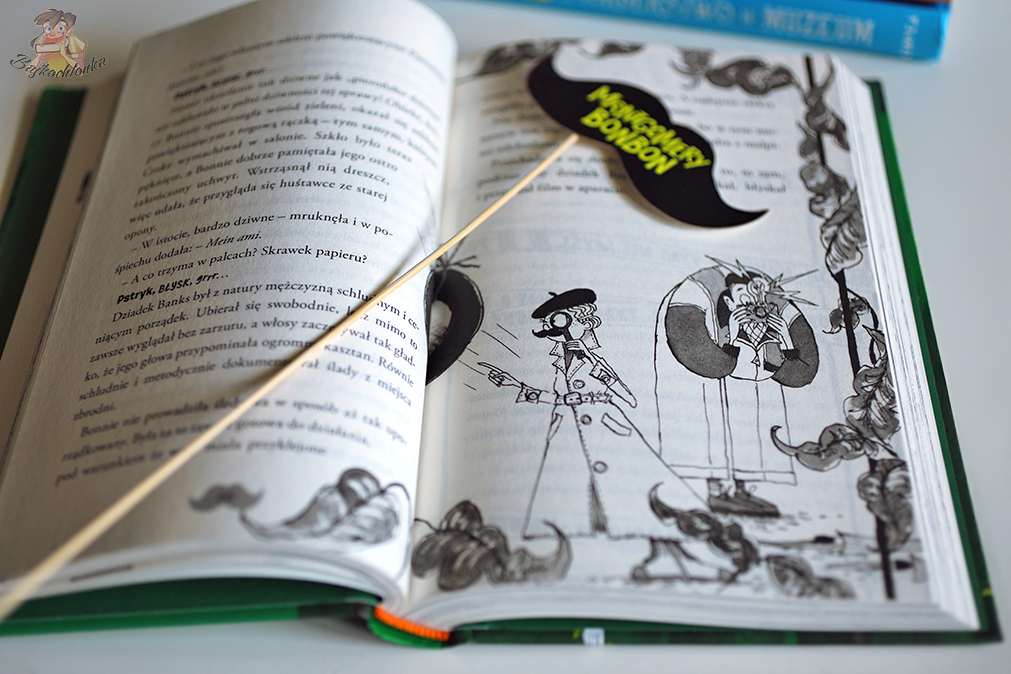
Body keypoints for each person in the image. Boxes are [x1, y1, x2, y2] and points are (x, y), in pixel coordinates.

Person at [656, 262, 818, 518]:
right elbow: (709, 359)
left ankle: (742, 488)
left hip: (749, 388)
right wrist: (730, 342)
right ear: (730, 299)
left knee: (749, 427)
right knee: (714, 428)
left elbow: (795, 369)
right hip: (712, 386)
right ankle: (716, 491)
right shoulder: (706, 303)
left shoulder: (765, 321)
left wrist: (784, 340)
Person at [28, 9, 87, 76]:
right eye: (48, 29)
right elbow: (29, 72)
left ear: (69, 30)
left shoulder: (72, 42)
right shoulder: (47, 44)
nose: (53, 32)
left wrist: (64, 55)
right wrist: (39, 56)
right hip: (52, 78)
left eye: (60, 28)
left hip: (70, 77)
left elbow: (80, 71)